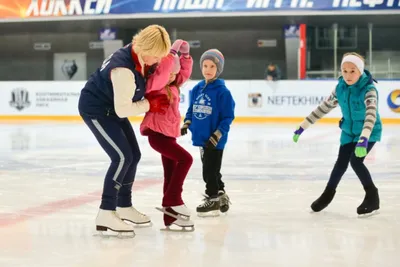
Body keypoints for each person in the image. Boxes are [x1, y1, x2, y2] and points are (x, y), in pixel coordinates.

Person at [78, 25, 171, 235]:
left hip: (112, 107)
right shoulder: (123, 71)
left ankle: (124, 205)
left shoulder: (140, 54)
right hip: (97, 110)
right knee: (121, 157)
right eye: (155, 56)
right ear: (143, 47)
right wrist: (150, 104)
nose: (156, 61)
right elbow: (123, 110)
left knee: (134, 155)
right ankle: (106, 211)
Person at [293, 52, 382, 216]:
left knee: (356, 162)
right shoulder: (340, 88)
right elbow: (324, 108)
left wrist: (364, 138)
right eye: (344, 70)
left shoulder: (369, 90)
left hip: (369, 131)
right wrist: (303, 126)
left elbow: (371, 114)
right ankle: (327, 195)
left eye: (352, 71)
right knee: (340, 163)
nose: (348, 75)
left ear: (360, 71)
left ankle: (372, 196)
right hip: (348, 131)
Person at [140, 39, 194, 230]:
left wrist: (185, 56)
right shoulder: (156, 85)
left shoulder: (174, 85)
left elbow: (183, 74)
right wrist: (171, 52)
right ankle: (173, 199)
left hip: (169, 135)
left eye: (174, 73)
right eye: (168, 73)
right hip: (157, 135)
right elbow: (163, 71)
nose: (171, 76)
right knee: (186, 160)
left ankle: (169, 217)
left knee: (170, 173)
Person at [181, 49, 235, 217]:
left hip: (215, 140)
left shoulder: (223, 92)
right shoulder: (197, 88)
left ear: (218, 70)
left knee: (209, 171)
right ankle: (221, 194)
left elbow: (228, 117)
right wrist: (187, 122)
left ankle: (212, 198)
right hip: (201, 138)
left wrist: (217, 135)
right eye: (205, 65)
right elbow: (192, 108)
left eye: (212, 66)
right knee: (213, 170)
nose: (208, 69)